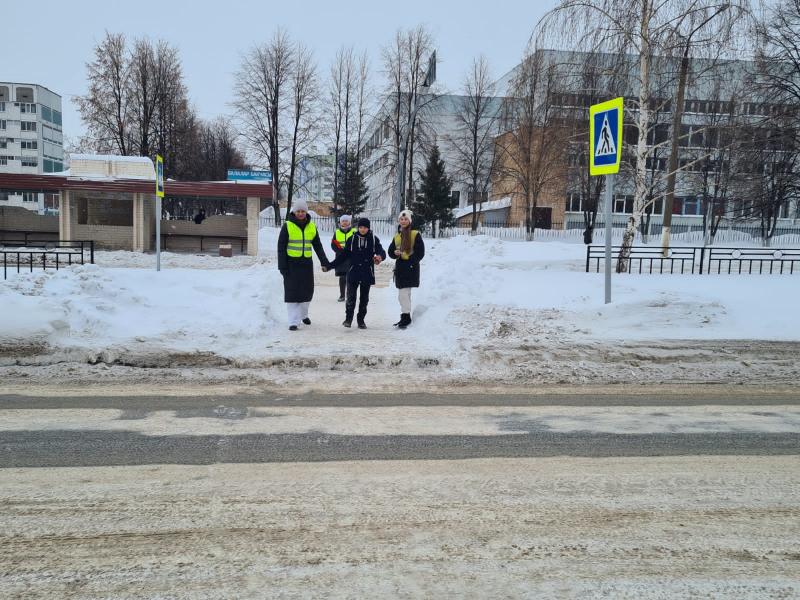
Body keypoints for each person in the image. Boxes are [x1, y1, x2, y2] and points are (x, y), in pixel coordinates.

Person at [277, 200, 331, 331]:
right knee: (292, 292)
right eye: (298, 211)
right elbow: (281, 247)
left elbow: (318, 246)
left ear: (306, 212)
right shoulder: (288, 225)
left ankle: (303, 314)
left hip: (306, 264)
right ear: (294, 212)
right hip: (291, 264)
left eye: (303, 211)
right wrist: (282, 266)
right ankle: (293, 321)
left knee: (307, 292)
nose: (300, 213)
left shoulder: (312, 226)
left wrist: (324, 261)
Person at [330, 217, 386, 329]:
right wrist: (330, 265)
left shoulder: (373, 239)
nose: (362, 229)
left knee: (364, 299)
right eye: (360, 227)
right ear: (358, 227)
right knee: (351, 298)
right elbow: (343, 256)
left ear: (368, 228)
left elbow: (382, 252)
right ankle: (348, 319)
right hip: (353, 272)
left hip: (367, 272)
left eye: (365, 227)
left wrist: (380, 257)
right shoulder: (352, 239)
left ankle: (361, 320)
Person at [387, 209, 425, 329]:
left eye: (405, 219)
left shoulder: (415, 234)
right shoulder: (397, 236)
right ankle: (405, 315)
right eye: (401, 219)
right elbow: (390, 251)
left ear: (409, 221)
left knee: (403, 294)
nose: (403, 221)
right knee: (404, 294)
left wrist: (410, 261)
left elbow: (420, 252)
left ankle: (406, 317)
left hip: (410, 267)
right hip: (400, 268)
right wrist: (395, 253)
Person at [330, 214, 354, 302]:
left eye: (346, 221)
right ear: (340, 222)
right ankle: (342, 295)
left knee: (351, 277)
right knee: (342, 277)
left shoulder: (354, 232)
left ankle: (350, 295)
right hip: (341, 258)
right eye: (343, 221)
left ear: (349, 222)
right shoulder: (337, 232)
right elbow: (333, 244)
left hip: (351, 258)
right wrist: (340, 252)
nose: (345, 222)